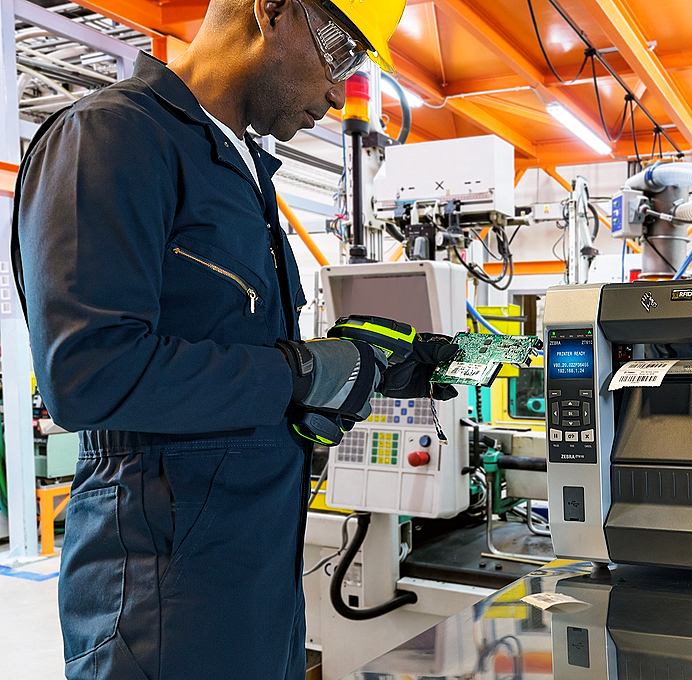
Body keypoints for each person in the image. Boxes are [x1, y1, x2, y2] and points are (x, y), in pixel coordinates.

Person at [11, 1, 456, 677]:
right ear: (271, 10)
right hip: (162, 592)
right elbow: (89, 374)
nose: (339, 93)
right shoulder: (110, 136)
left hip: (256, 577)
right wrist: (304, 371)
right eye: (341, 54)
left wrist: (370, 369)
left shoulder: (242, 168)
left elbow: (238, 358)